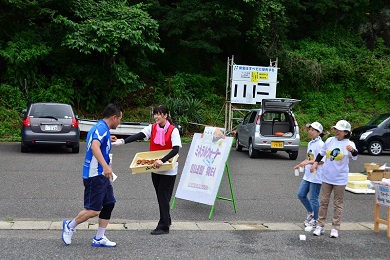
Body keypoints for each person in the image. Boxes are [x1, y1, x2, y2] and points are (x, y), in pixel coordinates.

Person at [113, 104, 182, 235]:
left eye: (159, 114)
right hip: (154, 168)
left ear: (166, 115)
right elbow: (139, 135)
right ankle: (167, 219)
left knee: (163, 197)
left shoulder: (173, 130)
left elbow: (176, 149)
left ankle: (163, 226)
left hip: (168, 168)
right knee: (161, 196)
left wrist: (162, 160)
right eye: (155, 114)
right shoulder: (153, 128)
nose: (156, 116)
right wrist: (122, 142)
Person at [62, 104, 122, 247]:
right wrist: (106, 166)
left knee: (109, 203)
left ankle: (99, 238)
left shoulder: (101, 128)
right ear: (114, 117)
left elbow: (98, 142)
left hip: (102, 175)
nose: (120, 122)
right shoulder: (101, 129)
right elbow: (94, 146)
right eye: (120, 119)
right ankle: (69, 225)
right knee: (93, 210)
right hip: (95, 175)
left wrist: (108, 138)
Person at [310, 120, 358, 238]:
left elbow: (355, 156)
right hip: (326, 177)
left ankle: (335, 227)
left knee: (338, 204)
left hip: (340, 179)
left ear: (346, 132)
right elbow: (321, 154)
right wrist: (315, 163)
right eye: (335, 129)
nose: (336, 131)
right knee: (323, 202)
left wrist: (352, 150)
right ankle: (320, 225)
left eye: (339, 130)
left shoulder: (349, 144)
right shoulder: (330, 140)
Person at [294, 122, 325, 228]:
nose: (309, 131)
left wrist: (308, 162)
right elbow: (309, 158)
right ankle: (311, 213)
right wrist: (301, 164)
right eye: (309, 129)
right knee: (301, 194)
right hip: (308, 174)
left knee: (313, 198)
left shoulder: (321, 145)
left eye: (312, 130)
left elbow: (322, 161)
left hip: (316, 175)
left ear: (319, 133)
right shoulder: (310, 143)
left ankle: (316, 220)